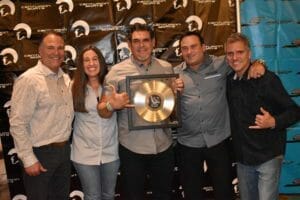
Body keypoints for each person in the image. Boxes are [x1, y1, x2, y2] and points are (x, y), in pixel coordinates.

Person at [173, 31, 265, 200]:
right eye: (184, 48)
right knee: (192, 193)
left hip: (218, 140)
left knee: (224, 191)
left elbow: (242, 62)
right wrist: (170, 91)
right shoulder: (173, 74)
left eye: (193, 46)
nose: (189, 51)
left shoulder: (221, 63)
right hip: (188, 143)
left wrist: (258, 64)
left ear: (203, 47)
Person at [98, 23, 184, 200]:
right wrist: (111, 105)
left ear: (153, 42)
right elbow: (102, 111)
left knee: (164, 195)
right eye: (136, 41)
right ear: (129, 44)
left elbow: (170, 105)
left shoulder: (167, 69)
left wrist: (175, 93)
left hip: (163, 146)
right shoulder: (116, 72)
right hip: (132, 149)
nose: (141, 45)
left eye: (145, 40)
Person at [225, 33, 300, 200]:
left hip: (268, 156)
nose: (235, 57)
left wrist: (273, 121)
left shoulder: (267, 79)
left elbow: (294, 111)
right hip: (243, 159)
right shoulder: (229, 81)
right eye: (230, 53)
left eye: (240, 52)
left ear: (249, 54)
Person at [9, 31, 74, 200]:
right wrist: (28, 159)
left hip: (64, 152)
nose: (56, 52)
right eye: (50, 47)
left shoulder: (65, 78)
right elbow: (17, 123)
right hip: (40, 153)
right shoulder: (29, 80)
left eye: (60, 48)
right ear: (40, 51)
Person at [71, 46, 127, 200]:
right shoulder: (73, 87)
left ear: (101, 62)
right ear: (81, 65)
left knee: (109, 195)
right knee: (93, 196)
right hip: (84, 154)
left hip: (111, 153)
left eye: (95, 59)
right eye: (86, 60)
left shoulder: (112, 85)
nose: (91, 63)